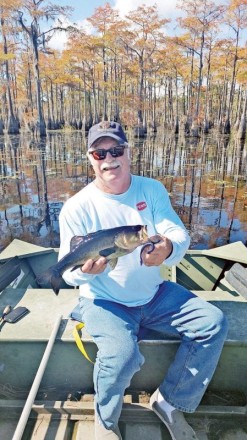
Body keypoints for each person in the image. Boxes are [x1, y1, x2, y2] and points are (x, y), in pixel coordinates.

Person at [58, 121, 228, 440]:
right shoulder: (75, 208)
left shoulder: (150, 189)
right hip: (103, 300)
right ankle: (105, 421)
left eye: (116, 150)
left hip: (154, 294)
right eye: (99, 152)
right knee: (121, 355)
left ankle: (169, 401)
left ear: (128, 152)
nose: (109, 158)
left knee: (213, 323)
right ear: (90, 157)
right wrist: (85, 271)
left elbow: (176, 232)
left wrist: (167, 249)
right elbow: (67, 272)